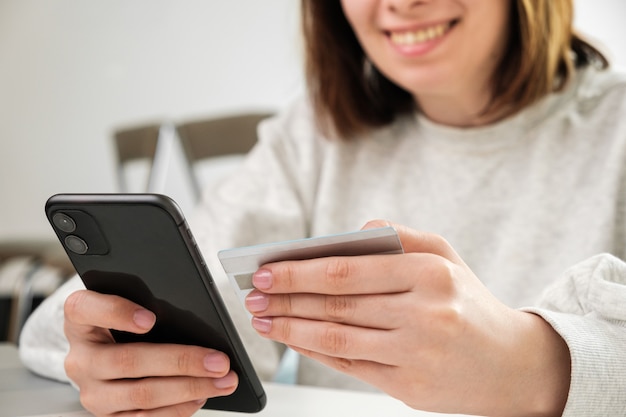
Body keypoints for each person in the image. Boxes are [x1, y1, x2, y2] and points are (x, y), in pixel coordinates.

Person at [19, 0, 626, 416]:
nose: (400, 2)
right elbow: (63, 330)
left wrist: (537, 367)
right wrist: (112, 350)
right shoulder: (314, 134)